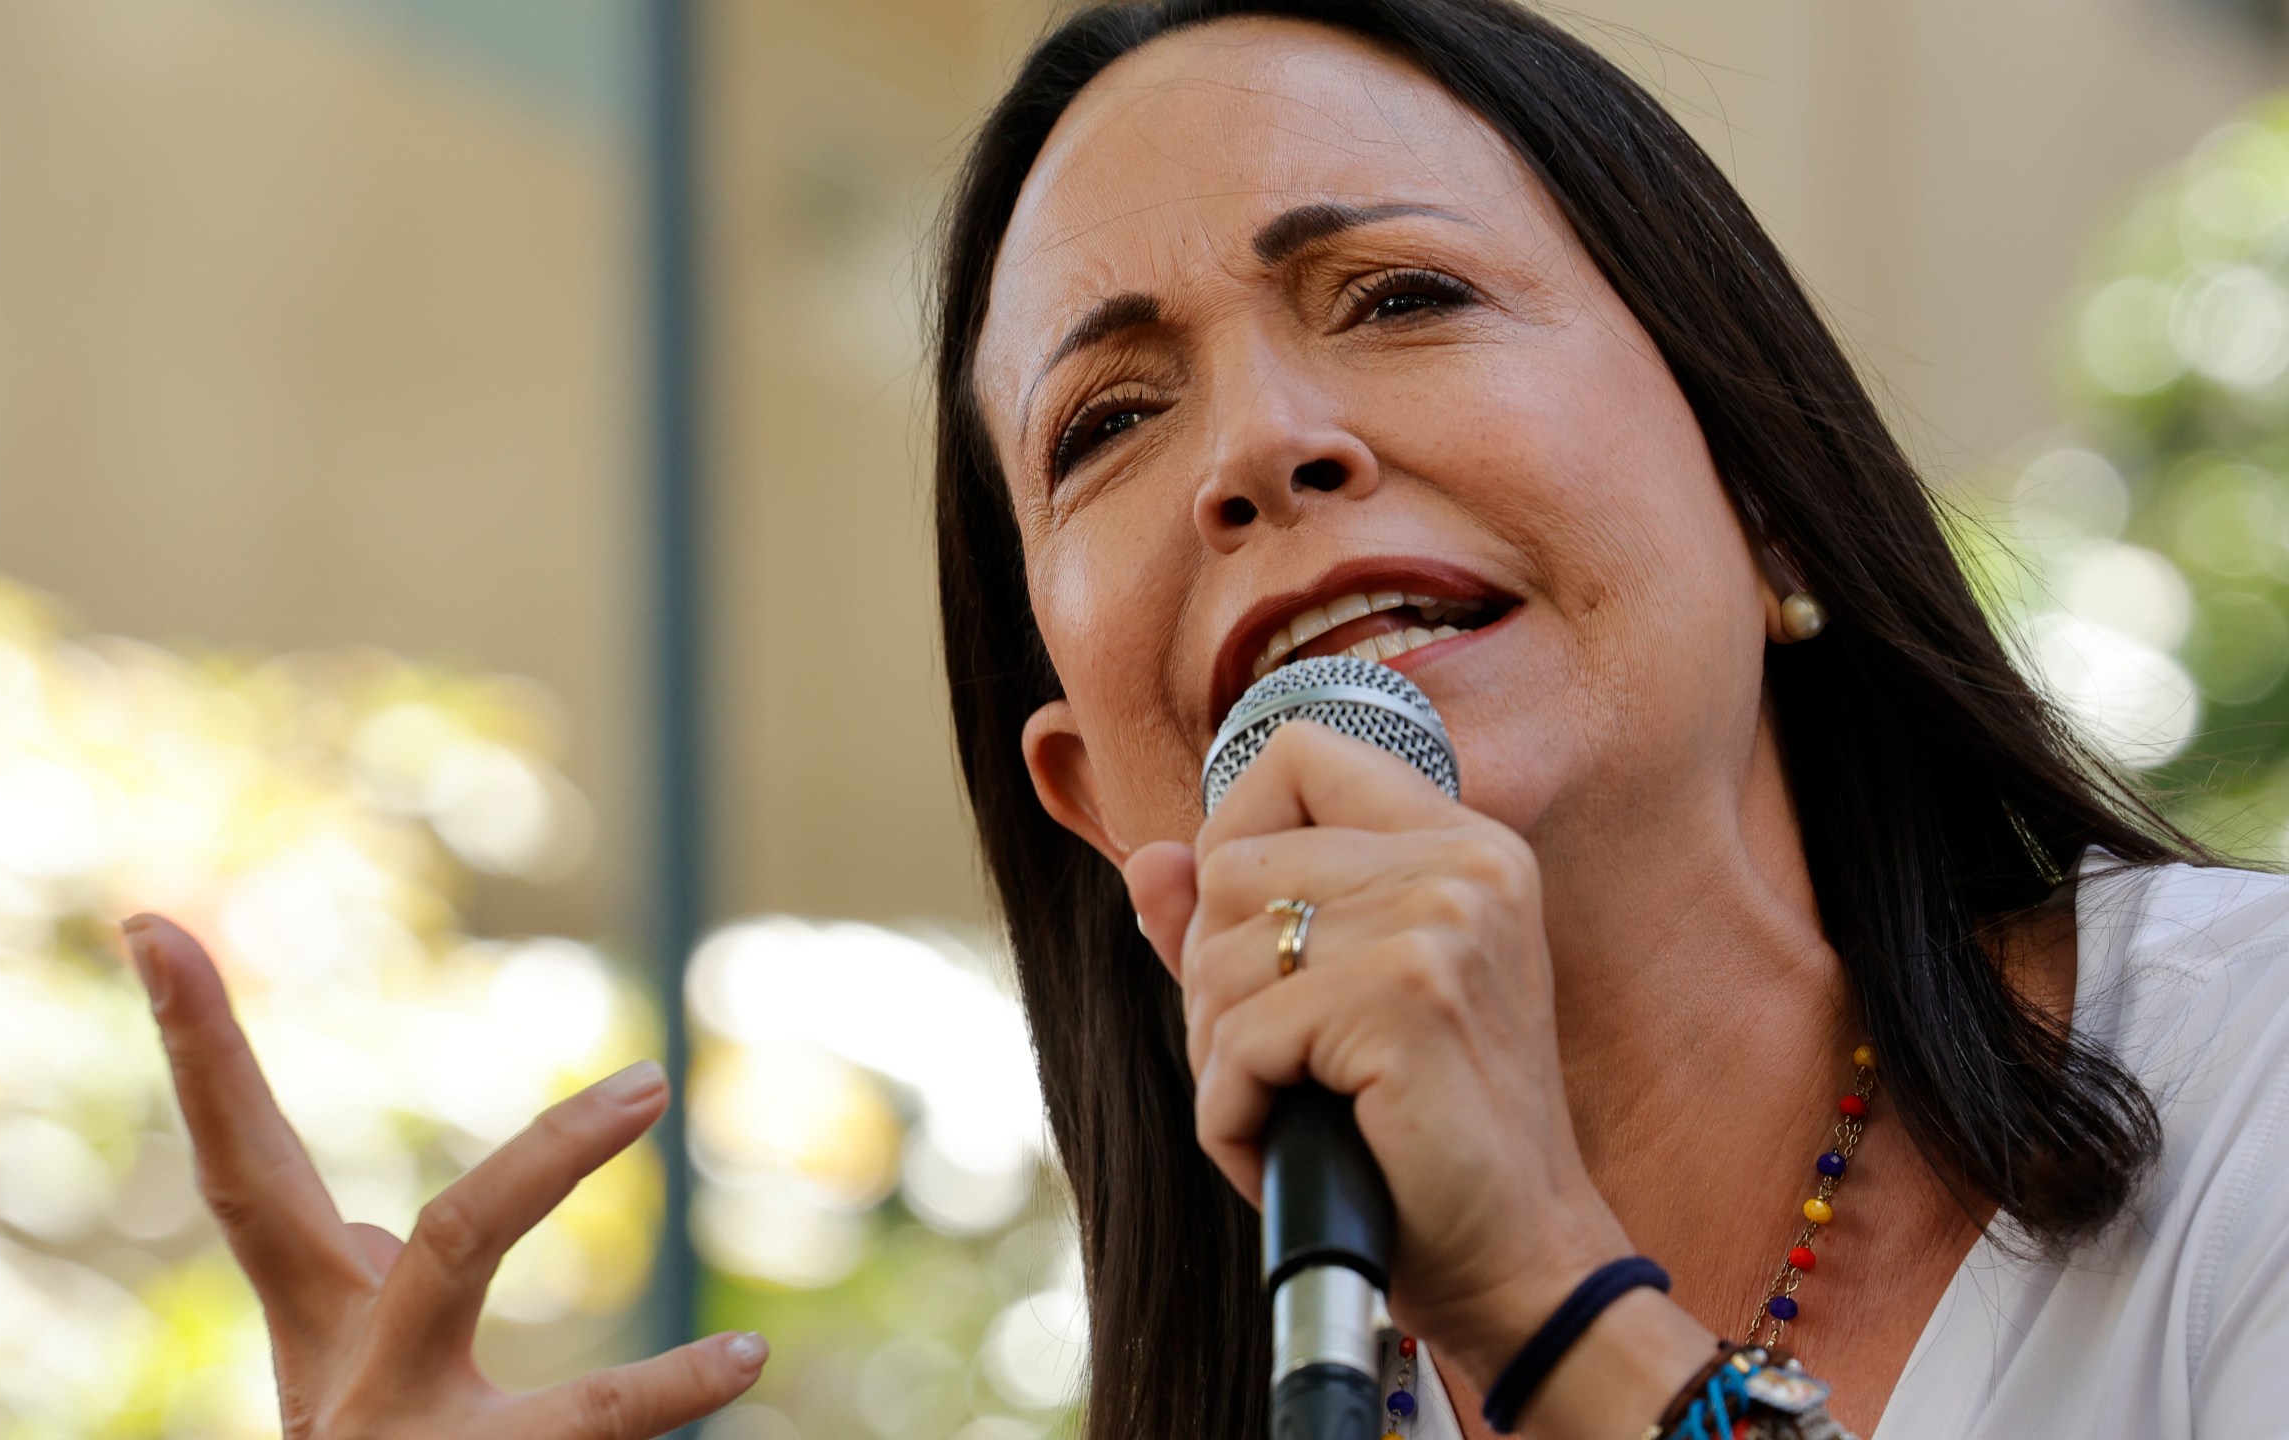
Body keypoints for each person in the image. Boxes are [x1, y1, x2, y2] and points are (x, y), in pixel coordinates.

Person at [122, 1, 2289, 1436]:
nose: (1261, 443)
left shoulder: (2247, 1088)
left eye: (1400, 295)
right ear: (1093, 788)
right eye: (1113, 417)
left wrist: (1537, 1284)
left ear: (1762, 501)